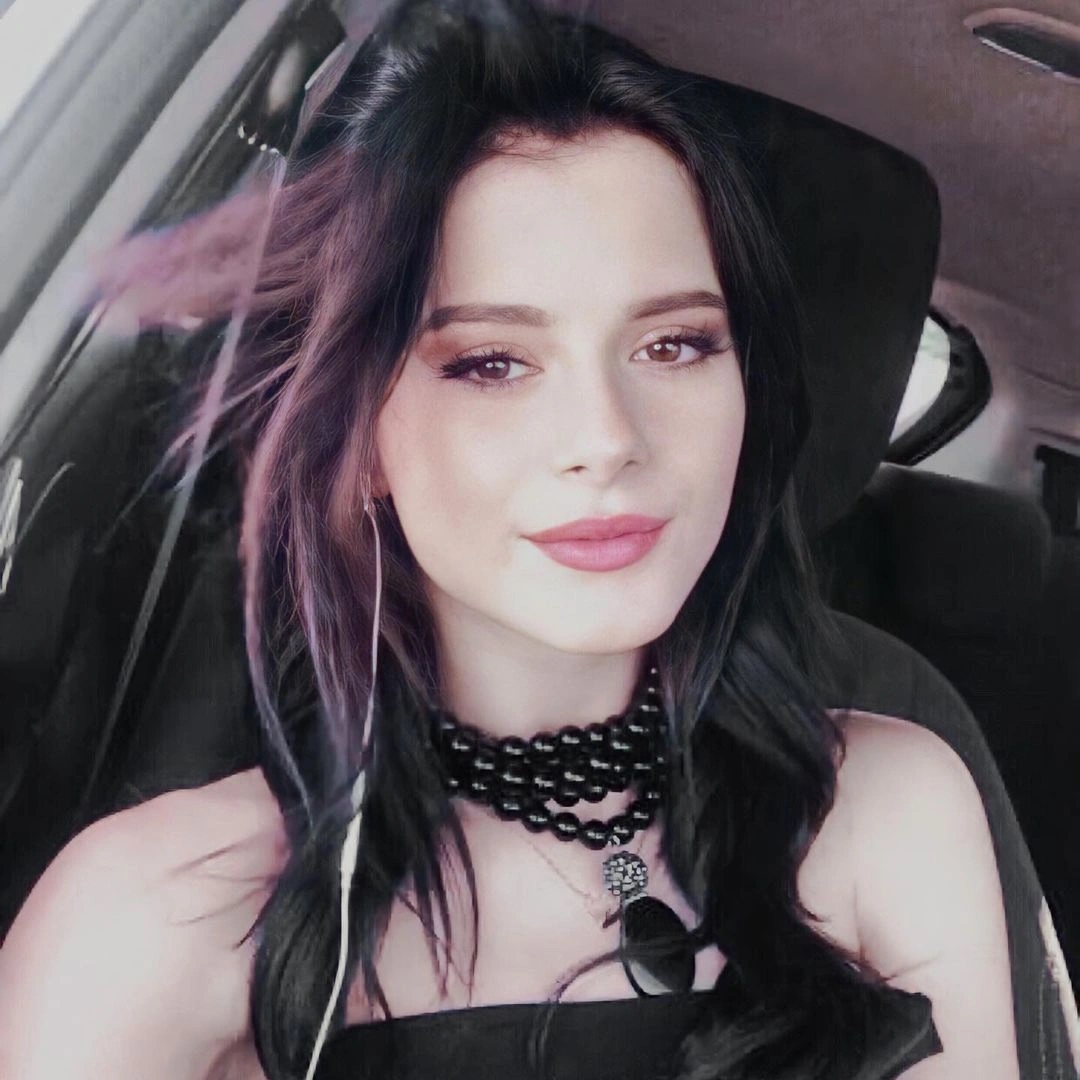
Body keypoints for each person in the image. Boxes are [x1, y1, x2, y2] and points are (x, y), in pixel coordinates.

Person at [0, 0, 1020, 1077]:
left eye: (674, 345)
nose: (607, 439)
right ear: (360, 437)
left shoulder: (893, 807)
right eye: (491, 362)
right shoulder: (157, 920)